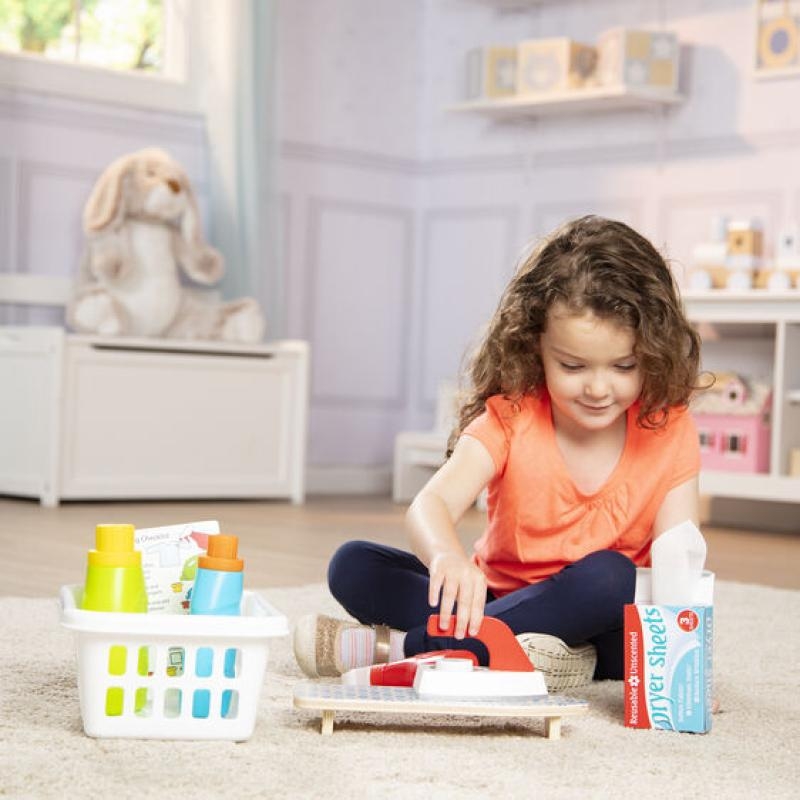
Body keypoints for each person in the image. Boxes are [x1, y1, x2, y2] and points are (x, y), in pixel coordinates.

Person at [294, 215, 703, 690]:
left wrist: (683, 669)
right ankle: (527, 654)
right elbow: (432, 503)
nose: (597, 388)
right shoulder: (512, 416)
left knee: (614, 580)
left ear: (653, 352)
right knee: (354, 564)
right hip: (492, 603)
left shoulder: (669, 427)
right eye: (572, 366)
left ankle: (413, 649)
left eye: (624, 366)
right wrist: (447, 558)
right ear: (535, 347)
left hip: (599, 616)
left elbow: (678, 561)